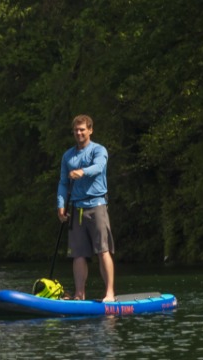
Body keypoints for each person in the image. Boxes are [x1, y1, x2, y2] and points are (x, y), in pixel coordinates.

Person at [56, 114, 115, 301]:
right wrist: (61, 206)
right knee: (78, 254)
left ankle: (109, 294)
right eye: (76, 130)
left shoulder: (99, 150)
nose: (79, 133)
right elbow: (63, 183)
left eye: (82, 129)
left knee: (102, 250)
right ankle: (79, 295)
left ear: (90, 130)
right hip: (76, 208)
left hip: (97, 205)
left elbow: (98, 167)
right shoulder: (68, 156)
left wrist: (82, 172)